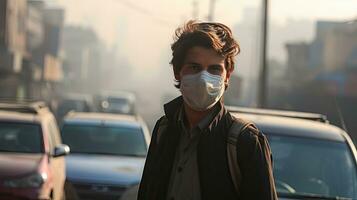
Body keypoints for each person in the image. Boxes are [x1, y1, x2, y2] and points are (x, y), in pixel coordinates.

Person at [137, 20, 277, 200]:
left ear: (228, 75)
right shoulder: (164, 130)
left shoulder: (245, 142)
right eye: (194, 67)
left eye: (214, 69)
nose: (204, 79)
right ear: (177, 72)